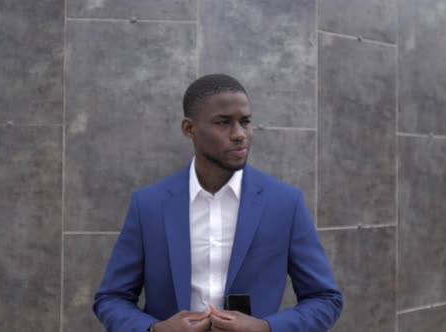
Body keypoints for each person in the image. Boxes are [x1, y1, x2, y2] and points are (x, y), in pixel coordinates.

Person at [93, 74, 343, 332]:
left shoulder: (285, 203)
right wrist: (155, 330)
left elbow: (325, 299)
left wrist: (267, 328)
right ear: (189, 129)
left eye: (245, 122)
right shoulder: (149, 204)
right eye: (223, 123)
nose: (239, 135)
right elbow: (111, 298)